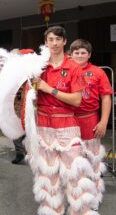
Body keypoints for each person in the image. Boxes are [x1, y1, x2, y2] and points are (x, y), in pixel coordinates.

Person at [31, 26, 99, 215]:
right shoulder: (39, 67)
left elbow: (77, 100)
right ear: (46, 42)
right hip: (44, 124)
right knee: (48, 173)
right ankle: (52, 210)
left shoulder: (74, 68)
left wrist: (48, 89)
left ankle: (79, 211)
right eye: (50, 39)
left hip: (67, 124)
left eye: (58, 39)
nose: (54, 43)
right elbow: (31, 99)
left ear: (64, 41)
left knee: (75, 173)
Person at [70, 39, 112, 207]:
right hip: (69, 119)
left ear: (89, 54)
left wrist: (103, 122)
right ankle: (74, 194)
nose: (79, 55)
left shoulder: (98, 72)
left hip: (90, 118)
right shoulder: (66, 71)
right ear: (71, 54)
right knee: (71, 159)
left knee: (92, 159)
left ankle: (93, 196)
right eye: (76, 52)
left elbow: (106, 97)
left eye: (83, 52)